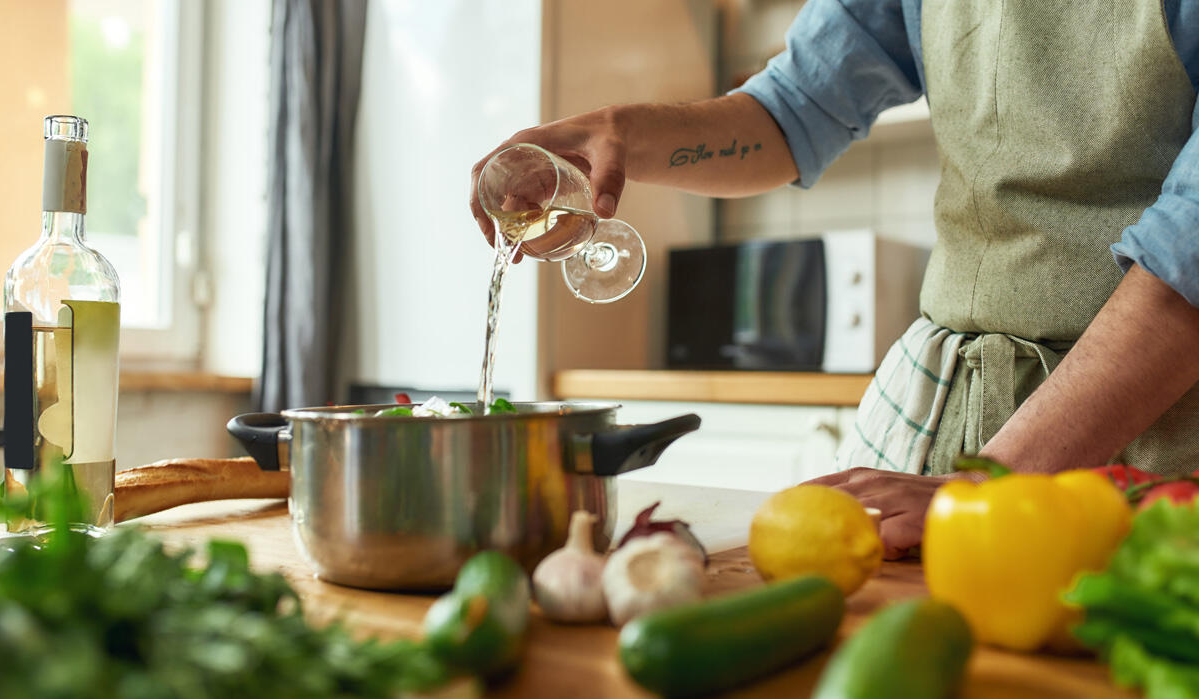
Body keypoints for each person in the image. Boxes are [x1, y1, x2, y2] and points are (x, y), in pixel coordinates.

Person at [470, 0, 1199, 558]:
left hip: (1151, 438)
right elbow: (793, 109)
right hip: (956, 425)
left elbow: (1189, 252)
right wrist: (617, 134)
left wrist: (989, 484)